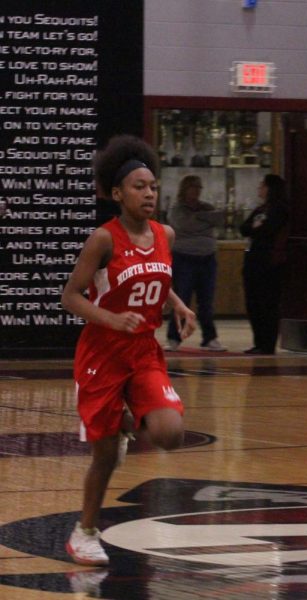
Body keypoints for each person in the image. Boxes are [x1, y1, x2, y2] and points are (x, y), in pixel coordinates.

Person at [60, 135, 196, 565]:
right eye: (139, 186)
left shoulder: (165, 234)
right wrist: (112, 319)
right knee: (103, 457)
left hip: (143, 352)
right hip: (102, 354)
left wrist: (177, 304)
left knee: (170, 435)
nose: (149, 193)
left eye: (153, 185)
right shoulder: (103, 239)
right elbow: (71, 296)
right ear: (117, 193)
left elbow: (157, 275)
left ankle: (125, 423)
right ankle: (84, 532)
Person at [164, 175, 226, 352]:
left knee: (206, 301)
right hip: (184, 258)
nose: (196, 191)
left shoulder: (207, 207)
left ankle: (210, 338)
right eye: (193, 187)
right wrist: (204, 222)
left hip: (207, 258)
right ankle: (174, 337)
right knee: (182, 298)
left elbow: (220, 218)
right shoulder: (177, 209)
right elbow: (185, 224)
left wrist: (200, 218)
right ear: (185, 189)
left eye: (199, 187)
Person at [239, 174, 289, 354]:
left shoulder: (280, 209)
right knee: (253, 303)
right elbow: (244, 228)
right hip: (253, 261)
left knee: (268, 304)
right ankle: (258, 342)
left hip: (269, 264)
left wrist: (256, 229)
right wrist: (255, 229)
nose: (259, 188)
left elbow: (268, 231)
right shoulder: (261, 209)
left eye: (262, 185)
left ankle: (267, 344)